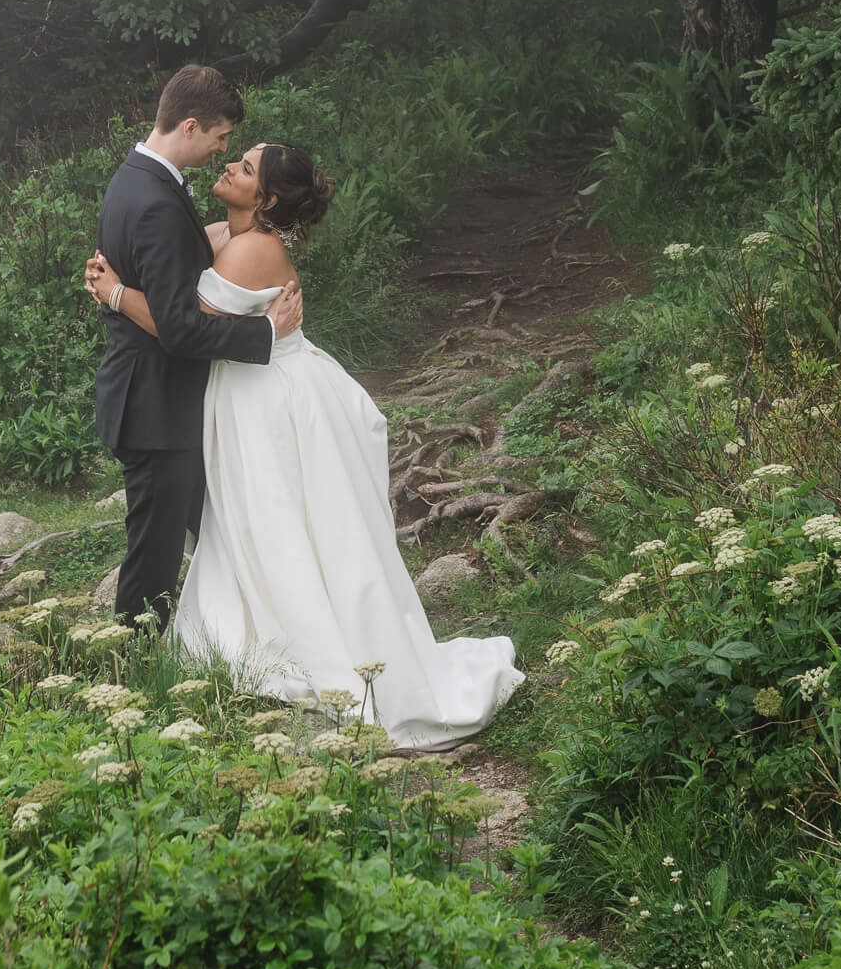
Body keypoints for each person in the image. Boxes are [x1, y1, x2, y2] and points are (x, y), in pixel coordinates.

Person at [85, 139, 523, 750]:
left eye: (244, 168)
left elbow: (183, 328)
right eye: (236, 157)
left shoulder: (253, 251)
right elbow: (197, 253)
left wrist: (114, 293)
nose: (230, 165)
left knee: (282, 522)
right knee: (262, 522)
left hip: (271, 401)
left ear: (263, 199)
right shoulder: (236, 237)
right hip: (250, 393)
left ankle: (312, 641)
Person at [91, 65, 303, 630]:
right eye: (220, 138)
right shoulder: (157, 201)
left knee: (223, 529)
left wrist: (116, 293)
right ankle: (132, 670)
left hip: (167, 404)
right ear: (190, 126)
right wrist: (266, 332)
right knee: (154, 560)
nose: (222, 151)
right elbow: (181, 330)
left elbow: (189, 257)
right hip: (156, 409)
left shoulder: (139, 178)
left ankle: (245, 636)